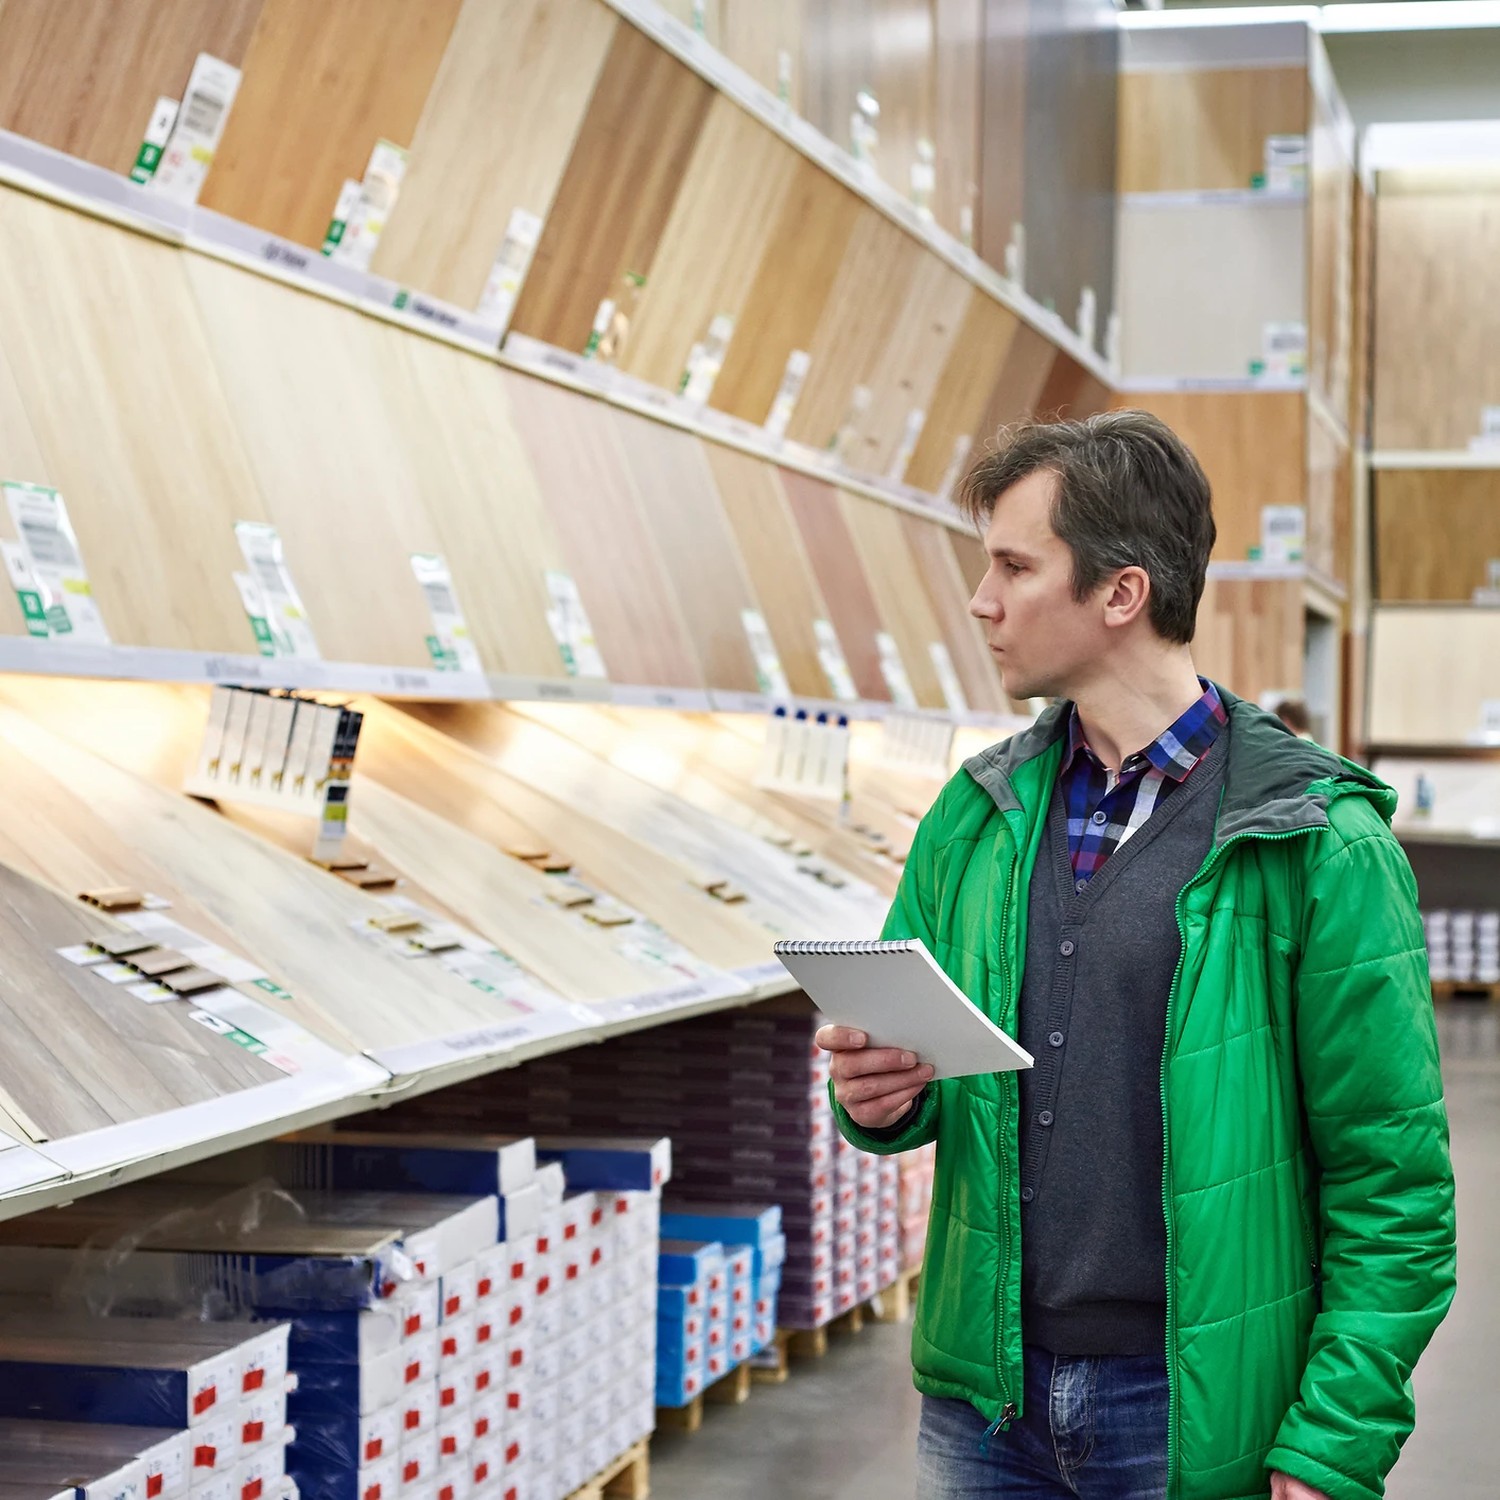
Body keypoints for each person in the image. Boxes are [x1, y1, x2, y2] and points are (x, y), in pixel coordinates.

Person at [818, 411, 1455, 1500]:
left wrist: (1335, 1439)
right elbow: (917, 1078)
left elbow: (1392, 1187)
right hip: (985, 1404)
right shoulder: (977, 815)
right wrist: (876, 1099)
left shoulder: (1317, 843)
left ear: (1121, 595)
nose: (983, 600)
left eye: (1016, 567)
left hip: (1190, 1409)